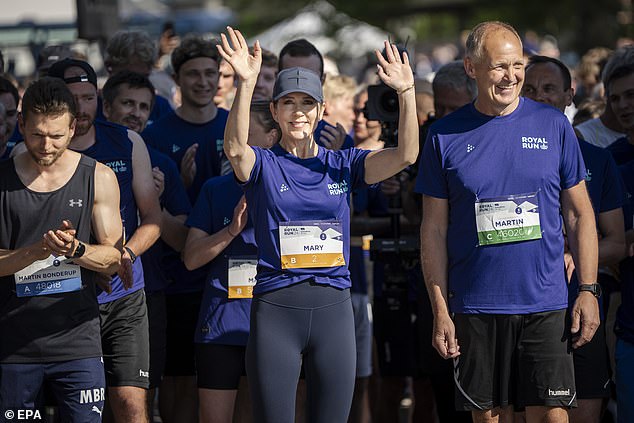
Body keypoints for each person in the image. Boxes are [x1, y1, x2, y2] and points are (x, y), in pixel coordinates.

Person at [217, 26, 418, 422]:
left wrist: (407, 93)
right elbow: (236, 150)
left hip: (333, 311)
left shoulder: (344, 163)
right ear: (274, 111)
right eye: (288, 103)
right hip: (276, 310)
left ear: (321, 110)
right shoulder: (265, 164)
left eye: (307, 103)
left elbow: (407, 154)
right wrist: (245, 83)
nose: (298, 112)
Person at [417, 21, 599, 423]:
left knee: (552, 416)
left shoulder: (554, 126)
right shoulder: (443, 135)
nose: (511, 76)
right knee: (489, 418)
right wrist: (440, 309)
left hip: (546, 302)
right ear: (471, 67)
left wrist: (587, 288)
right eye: (500, 66)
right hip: (476, 306)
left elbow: (579, 212)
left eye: (518, 65)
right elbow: (433, 229)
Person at [0, 77, 122, 421]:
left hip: (77, 342)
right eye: (37, 134)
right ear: (20, 124)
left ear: (74, 127)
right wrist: (36, 252)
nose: (47, 145)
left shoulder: (97, 176)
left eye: (56, 136)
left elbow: (113, 258)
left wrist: (77, 250)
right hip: (13, 346)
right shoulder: (3, 180)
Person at [47, 58, 162, 423]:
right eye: (71, 98)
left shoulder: (127, 141)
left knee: (130, 403)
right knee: (75, 411)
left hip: (124, 294)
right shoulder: (36, 150)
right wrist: (88, 262)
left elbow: (152, 218)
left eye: (88, 97)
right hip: (63, 295)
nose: (81, 108)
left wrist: (122, 255)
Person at [523, 54, 626, 423]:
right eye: (530, 89)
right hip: (524, 310)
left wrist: (581, 259)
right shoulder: (508, 157)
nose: (540, 96)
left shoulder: (597, 159)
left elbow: (616, 242)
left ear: (570, 95)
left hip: (582, 306)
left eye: (550, 88)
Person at [141, 34, 227, 423]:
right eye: (194, 74)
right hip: (178, 280)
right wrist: (182, 187)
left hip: (231, 279)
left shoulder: (236, 127)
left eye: (212, 73)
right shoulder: (155, 138)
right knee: (178, 380)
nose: (204, 82)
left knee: (228, 381)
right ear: (177, 78)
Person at [101, 70, 192, 422]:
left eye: (143, 106)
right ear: (106, 107)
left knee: (138, 400)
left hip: (148, 292)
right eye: (127, 103)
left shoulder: (162, 164)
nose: (136, 113)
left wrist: (154, 202)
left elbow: (183, 241)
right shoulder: (80, 159)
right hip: (91, 293)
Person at [183, 100, 279, 423]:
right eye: (231, 135)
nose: (234, 144)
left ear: (272, 137)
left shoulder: (290, 187)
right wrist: (230, 231)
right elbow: (191, 259)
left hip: (275, 325)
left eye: (245, 133)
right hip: (221, 323)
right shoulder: (215, 189)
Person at [608, 63, 634, 423]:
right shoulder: (611, 160)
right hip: (630, 326)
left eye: (631, 95)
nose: (623, 105)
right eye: (615, 99)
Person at [278, 38, 354, 151]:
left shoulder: (337, 140)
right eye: (292, 76)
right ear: (277, 78)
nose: (300, 83)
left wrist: (332, 159)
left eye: (309, 76)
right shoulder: (255, 130)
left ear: (322, 80)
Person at [103, 30, 174, 127]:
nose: (137, 84)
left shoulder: (160, 107)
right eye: (127, 78)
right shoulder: (90, 107)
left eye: (143, 78)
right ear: (109, 67)